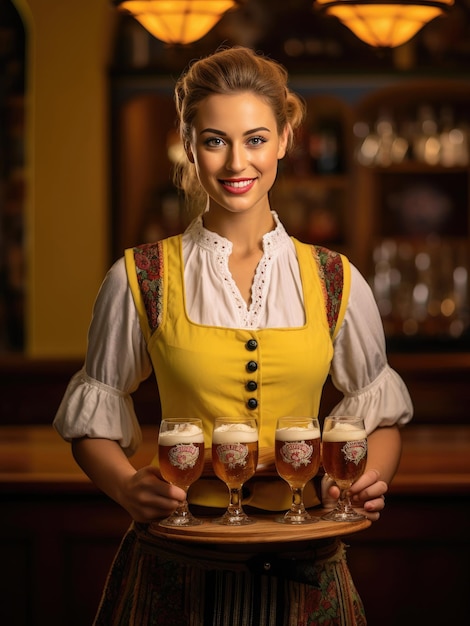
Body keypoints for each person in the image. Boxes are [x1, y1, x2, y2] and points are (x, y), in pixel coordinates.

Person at [54, 46, 413, 625]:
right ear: (189, 143)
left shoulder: (335, 278)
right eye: (216, 140)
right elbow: (93, 416)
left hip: (306, 572)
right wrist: (126, 489)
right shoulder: (139, 277)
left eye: (255, 138)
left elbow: (382, 414)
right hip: (178, 570)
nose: (236, 162)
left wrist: (367, 481)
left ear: (285, 139)